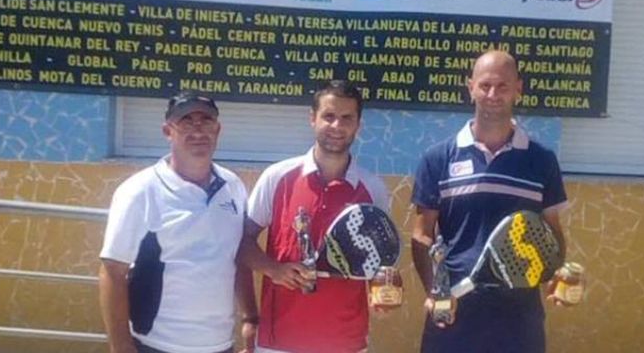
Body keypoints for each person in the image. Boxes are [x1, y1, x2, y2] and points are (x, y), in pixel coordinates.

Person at [411, 50, 569, 353]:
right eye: (485, 85)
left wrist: (556, 274)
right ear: (470, 86)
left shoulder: (542, 160)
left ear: (518, 89)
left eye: (503, 86)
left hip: (520, 316)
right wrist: (436, 291)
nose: (493, 94)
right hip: (453, 311)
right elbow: (422, 235)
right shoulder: (438, 158)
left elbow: (552, 232)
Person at [239, 80, 389, 353]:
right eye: (328, 116)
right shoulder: (278, 177)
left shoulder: (373, 189)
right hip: (279, 341)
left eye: (346, 118)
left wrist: (382, 290)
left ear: (358, 125)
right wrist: (272, 269)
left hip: (346, 342)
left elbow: (378, 261)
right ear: (312, 119)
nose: (336, 126)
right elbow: (243, 242)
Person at [99, 92, 256, 353]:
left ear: (217, 130)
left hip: (220, 345)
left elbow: (238, 259)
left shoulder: (233, 186)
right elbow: (112, 272)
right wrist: (121, 346)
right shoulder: (140, 191)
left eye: (206, 121)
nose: (197, 129)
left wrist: (251, 318)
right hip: (156, 345)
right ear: (167, 131)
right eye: (186, 121)